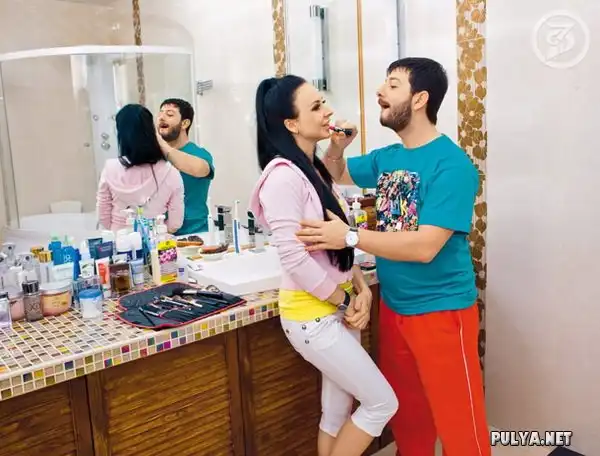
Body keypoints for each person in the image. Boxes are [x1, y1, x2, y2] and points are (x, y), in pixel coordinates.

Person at [296, 57, 491, 456]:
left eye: (393, 84)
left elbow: (425, 246)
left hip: (442, 311)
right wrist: (337, 147)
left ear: (420, 99)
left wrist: (349, 236)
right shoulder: (388, 158)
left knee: (459, 421)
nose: (380, 91)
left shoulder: (452, 165)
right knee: (409, 416)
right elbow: (336, 173)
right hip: (395, 307)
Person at [249, 75, 398, 456]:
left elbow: (338, 241)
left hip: (335, 306)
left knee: (335, 414)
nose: (328, 110)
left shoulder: (312, 170)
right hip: (312, 315)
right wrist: (346, 302)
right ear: (291, 124)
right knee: (382, 403)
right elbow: (294, 258)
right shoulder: (282, 177)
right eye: (316, 106)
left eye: (324, 102)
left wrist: (360, 289)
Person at [97, 104, 184, 233]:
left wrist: (121, 231)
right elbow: (175, 223)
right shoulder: (171, 173)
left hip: (119, 240)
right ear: (152, 131)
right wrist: (156, 230)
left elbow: (103, 216)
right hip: (156, 241)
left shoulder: (110, 169)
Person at [156, 98, 214, 235]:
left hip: (195, 232)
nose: (161, 118)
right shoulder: (154, 156)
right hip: (161, 233)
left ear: (185, 123)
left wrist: (159, 142)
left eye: (169, 114)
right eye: (160, 113)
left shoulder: (200, 154)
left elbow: (199, 169)